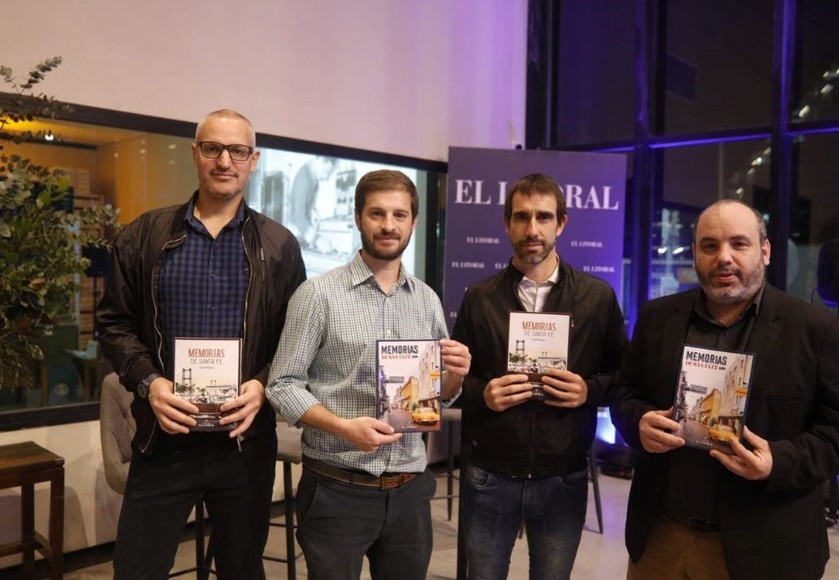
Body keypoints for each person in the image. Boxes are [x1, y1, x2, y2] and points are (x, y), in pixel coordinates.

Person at [96, 109, 306, 579]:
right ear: (196, 154)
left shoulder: (279, 246)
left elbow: (296, 340)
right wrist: (149, 383)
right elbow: (114, 325)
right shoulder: (145, 236)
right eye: (213, 148)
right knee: (136, 569)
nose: (224, 160)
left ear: (253, 160)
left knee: (240, 569)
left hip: (243, 445)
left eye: (237, 151)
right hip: (163, 440)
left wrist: (263, 384)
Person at [610, 199, 839, 580]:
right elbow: (624, 392)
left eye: (739, 243)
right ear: (696, 253)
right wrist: (638, 423)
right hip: (661, 539)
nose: (723, 258)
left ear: (764, 251)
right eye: (710, 246)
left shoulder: (817, 331)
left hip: (765, 548)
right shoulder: (656, 318)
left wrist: (777, 461)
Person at [266, 169, 471, 580]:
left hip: (411, 490)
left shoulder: (427, 300)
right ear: (358, 217)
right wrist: (343, 428)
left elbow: (437, 397)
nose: (388, 225)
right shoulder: (318, 295)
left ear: (413, 221)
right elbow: (282, 385)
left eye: (399, 214)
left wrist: (457, 377)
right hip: (336, 489)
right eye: (377, 213)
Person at [451, 173, 627, 580]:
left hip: (562, 477)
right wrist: (483, 394)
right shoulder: (479, 297)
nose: (532, 229)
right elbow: (455, 384)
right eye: (522, 217)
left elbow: (623, 377)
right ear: (507, 223)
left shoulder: (597, 297)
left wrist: (588, 390)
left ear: (561, 224)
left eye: (543, 217)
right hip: (489, 475)